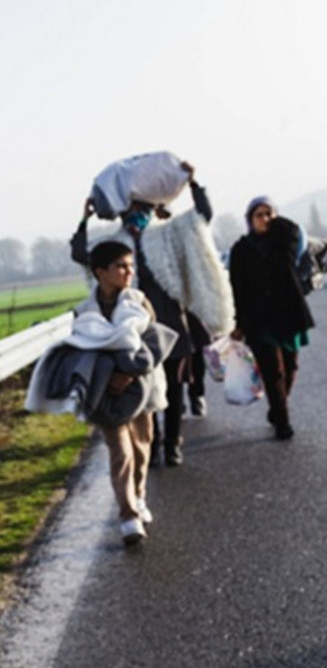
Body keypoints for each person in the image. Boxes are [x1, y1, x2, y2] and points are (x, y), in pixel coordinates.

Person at [71, 160, 231, 469]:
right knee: (144, 392)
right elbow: (82, 255)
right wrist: (84, 219)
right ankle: (153, 443)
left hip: (171, 325)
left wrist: (195, 184)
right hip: (136, 329)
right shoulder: (114, 243)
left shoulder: (169, 233)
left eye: (140, 208)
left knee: (173, 387)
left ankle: (172, 445)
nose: (135, 215)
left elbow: (202, 217)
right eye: (129, 209)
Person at [27, 241, 176, 545]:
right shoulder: (83, 312)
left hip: (141, 387)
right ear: (100, 272)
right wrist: (106, 377)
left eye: (130, 266)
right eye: (121, 266)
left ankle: (139, 494)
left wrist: (127, 374)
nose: (128, 272)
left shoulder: (139, 302)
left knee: (141, 447)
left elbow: (152, 343)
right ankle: (128, 515)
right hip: (105, 394)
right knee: (120, 452)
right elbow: (83, 351)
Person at [228, 197, 315, 440]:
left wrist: (276, 220)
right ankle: (282, 421)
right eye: (259, 215)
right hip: (258, 319)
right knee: (272, 370)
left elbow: (292, 230)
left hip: (289, 314)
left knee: (290, 366)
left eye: (269, 214)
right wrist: (239, 323)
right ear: (249, 219)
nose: (265, 219)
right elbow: (238, 287)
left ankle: (277, 409)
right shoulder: (241, 249)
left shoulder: (284, 242)